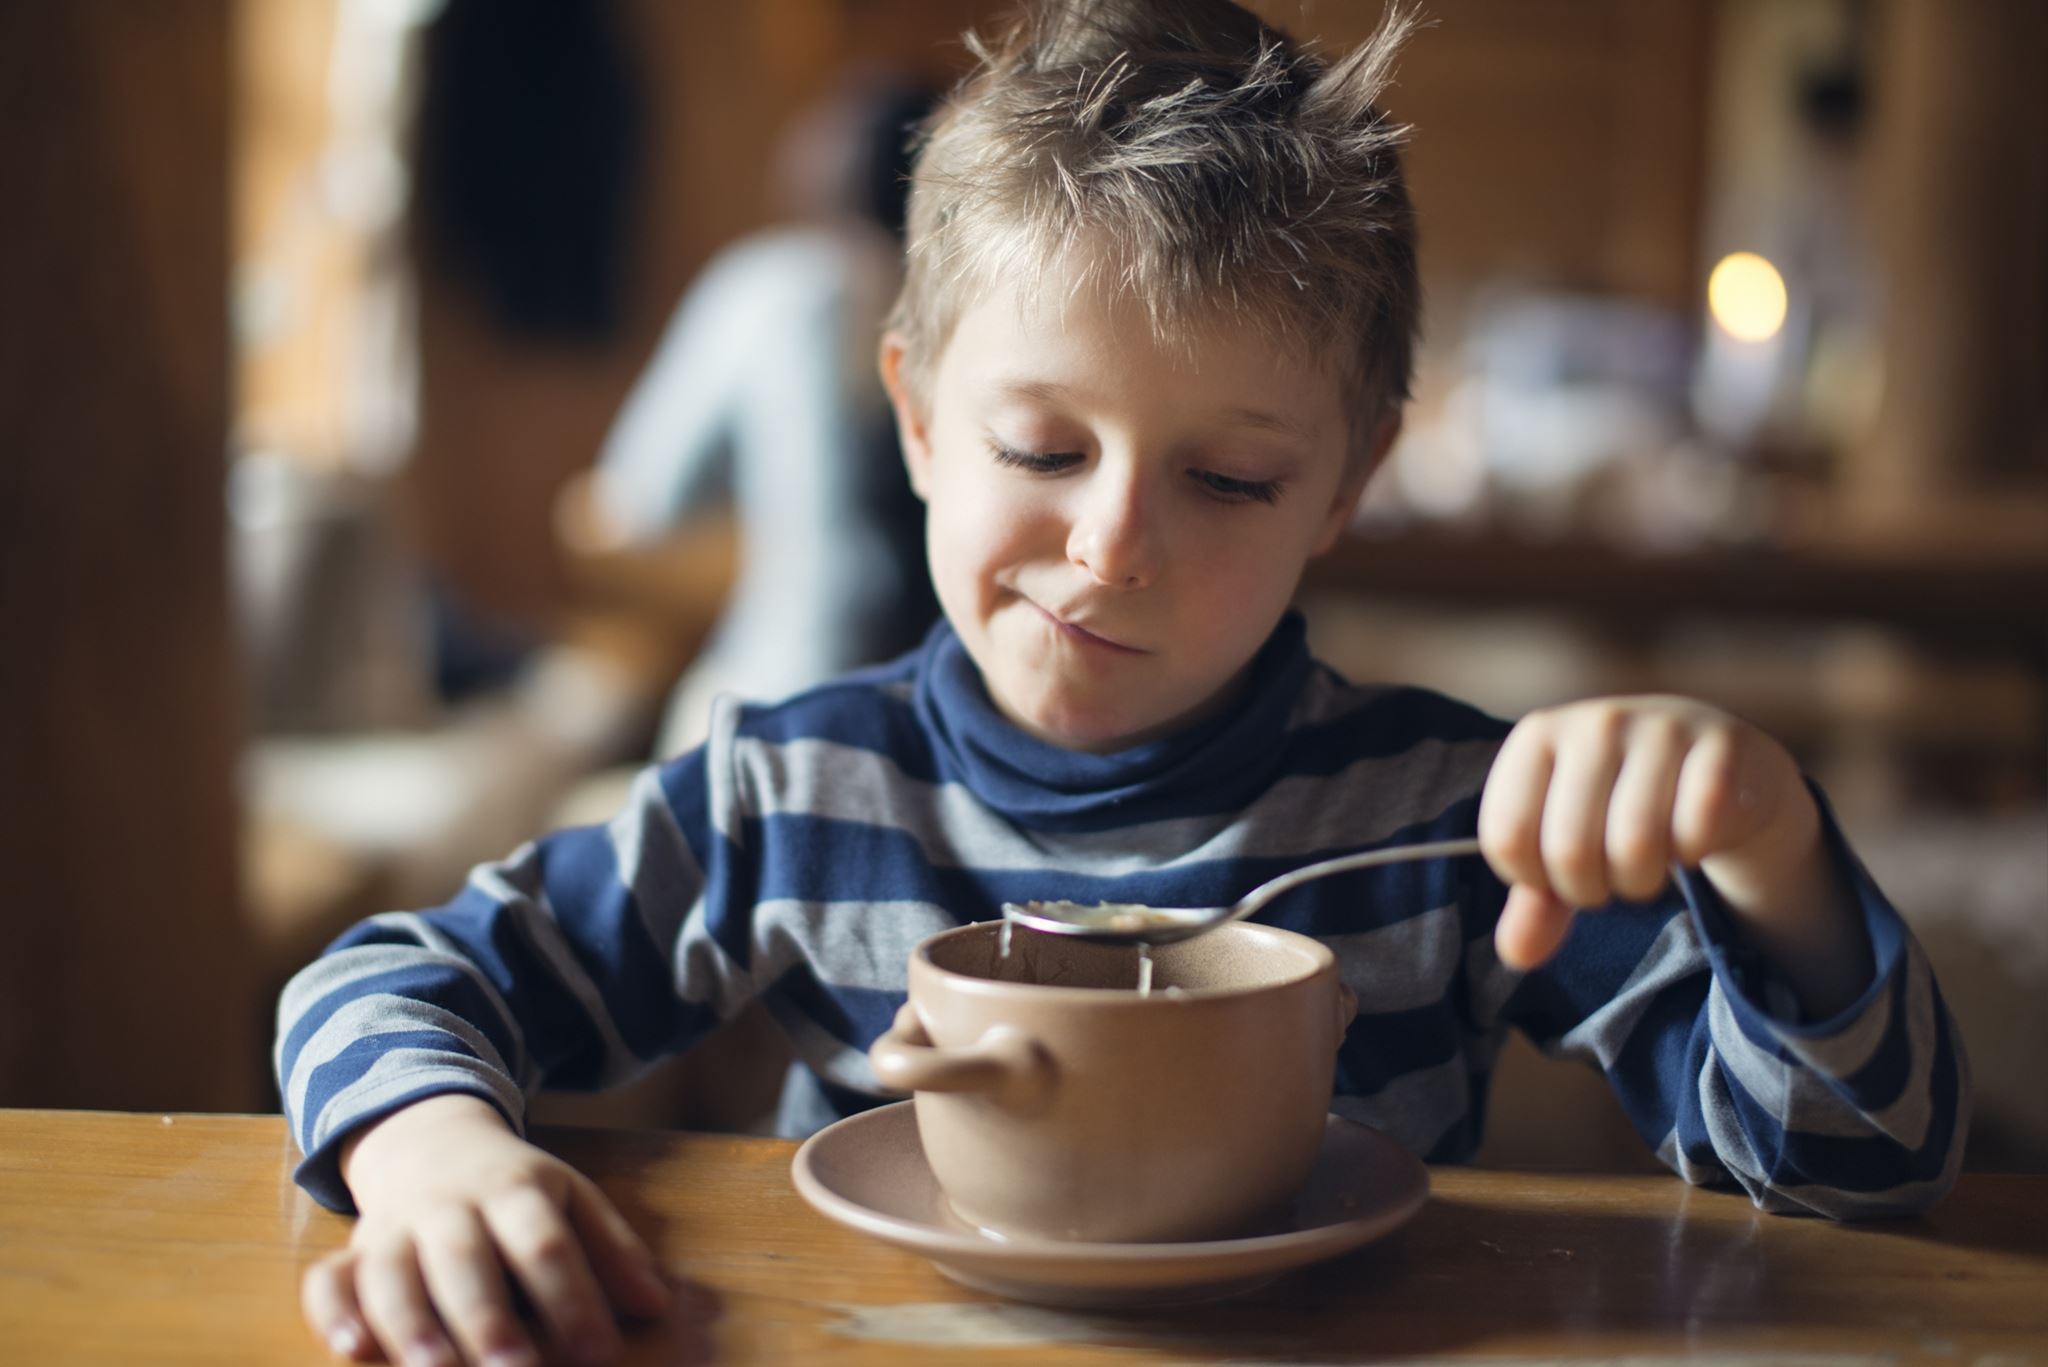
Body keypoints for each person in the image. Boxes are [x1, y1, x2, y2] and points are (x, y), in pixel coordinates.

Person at [277, 3, 1971, 1363]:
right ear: (921, 421)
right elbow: (386, 979)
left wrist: (1769, 853)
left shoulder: (1442, 821)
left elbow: (1854, 1179)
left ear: (1345, 486)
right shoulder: (792, 792)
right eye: (1039, 445)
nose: (1107, 549)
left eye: (1226, 482)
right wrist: (433, 1149)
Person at [562, 72, 940, 759]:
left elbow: (637, 501)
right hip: (949, 702)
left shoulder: (773, 290)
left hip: (780, 699)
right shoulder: (980, 300)